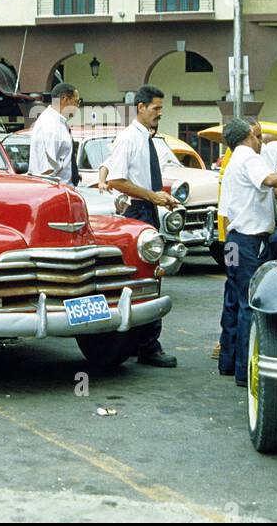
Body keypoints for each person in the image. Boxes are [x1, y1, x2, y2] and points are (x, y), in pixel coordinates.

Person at [218, 118, 277, 387]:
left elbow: (271, 191)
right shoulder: (248, 157)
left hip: (233, 240)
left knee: (234, 299)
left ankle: (228, 359)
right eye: (258, 136)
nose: (261, 141)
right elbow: (270, 179)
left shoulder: (235, 160)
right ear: (248, 135)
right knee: (250, 303)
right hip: (249, 242)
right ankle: (245, 371)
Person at [100, 85, 180, 368]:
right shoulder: (130, 139)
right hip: (137, 213)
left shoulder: (144, 138)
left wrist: (160, 197)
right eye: (156, 109)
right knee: (147, 277)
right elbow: (116, 180)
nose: (160, 114)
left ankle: (140, 341)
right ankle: (148, 345)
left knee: (147, 275)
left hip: (146, 208)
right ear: (141, 108)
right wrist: (151, 196)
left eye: (161, 109)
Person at [28, 83, 81, 185]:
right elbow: (47, 171)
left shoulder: (58, 122)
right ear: (64, 99)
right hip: (56, 191)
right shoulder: (50, 125)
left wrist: (72, 173)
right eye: (76, 101)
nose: (77, 106)